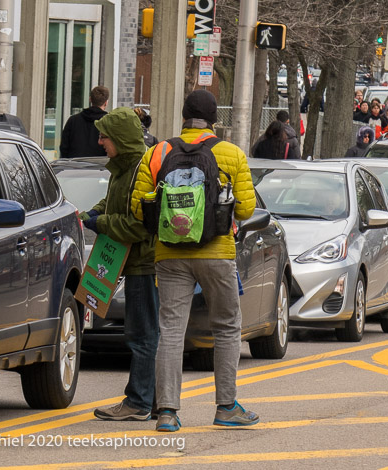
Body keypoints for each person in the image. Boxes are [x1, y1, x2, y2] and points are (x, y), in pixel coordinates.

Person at [130, 89, 258, 432]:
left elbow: (137, 207)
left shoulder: (158, 152)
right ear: (214, 119)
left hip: (170, 254)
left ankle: (168, 412)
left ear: (184, 116)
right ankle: (226, 406)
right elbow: (245, 209)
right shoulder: (230, 154)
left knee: (171, 330)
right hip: (216, 253)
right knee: (227, 327)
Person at [84, 107, 159, 422]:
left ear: (122, 139)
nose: (100, 141)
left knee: (142, 335)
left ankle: (139, 402)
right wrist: (92, 212)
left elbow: (138, 226)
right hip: (134, 264)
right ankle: (152, 400)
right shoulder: (123, 169)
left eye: (105, 136)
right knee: (145, 333)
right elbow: (114, 202)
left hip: (144, 265)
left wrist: (100, 222)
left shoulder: (140, 170)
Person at [59, 85, 109, 158]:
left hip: (74, 167)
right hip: (100, 167)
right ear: (106, 103)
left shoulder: (73, 120)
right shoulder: (109, 123)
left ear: (90, 99)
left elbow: (64, 148)